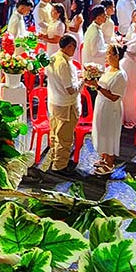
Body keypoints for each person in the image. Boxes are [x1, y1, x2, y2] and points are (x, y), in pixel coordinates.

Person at [44, 35, 81, 176]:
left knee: (54, 133)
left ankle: (55, 158)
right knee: (64, 137)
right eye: (74, 47)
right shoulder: (64, 64)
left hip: (54, 101)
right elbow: (70, 89)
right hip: (66, 104)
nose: (74, 50)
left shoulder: (53, 57)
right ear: (68, 46)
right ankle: (60, 166)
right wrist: (83, 81)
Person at [91, 44, 127, 176]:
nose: (106, 56)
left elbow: (114, 97)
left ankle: (110, 162)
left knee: (110, 133)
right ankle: (104, 158)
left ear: (116, 56)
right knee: (102, 131)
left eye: (108, 53)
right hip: (101, 104)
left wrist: (98, 88)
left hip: (111, 108)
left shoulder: (120, 75)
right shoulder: (108, 69)